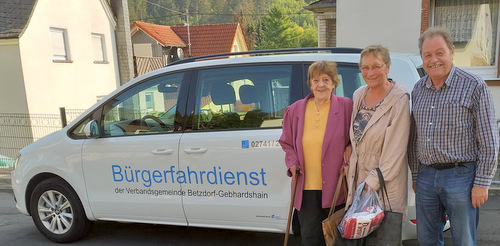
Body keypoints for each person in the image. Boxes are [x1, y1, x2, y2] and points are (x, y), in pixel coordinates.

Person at [408, 26, 499, 246]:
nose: (434, 60)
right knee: (426, 240)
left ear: (451, 52)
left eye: (440, 53)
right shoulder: (418, 89)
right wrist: (415, 175)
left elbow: (489, 140)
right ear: (422, 58)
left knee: (463, 240)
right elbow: (414, 137)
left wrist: (482, 183)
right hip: (426, 176)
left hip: (462, 176)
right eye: (427, 55)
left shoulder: (474, 86)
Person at [279, 60, 352, 246]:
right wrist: (293, 162)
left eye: (326, 79)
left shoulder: (346, 107)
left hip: (337, 186)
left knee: (336, 239)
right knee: (311, 239)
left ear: (334, 83)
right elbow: (287, 143)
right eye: (316, 80)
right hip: (306, 188)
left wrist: (350, 150)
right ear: (310, 83)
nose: (321, 85)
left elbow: (356, 138)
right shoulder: (294, 110)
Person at [344, 45, 410, 228]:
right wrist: (350, 145)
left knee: (382, 238)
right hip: (358, 182)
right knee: (359, 238)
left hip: (383, 185)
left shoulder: (399, 99)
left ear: (387, 67)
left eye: (376, 66)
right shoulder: (359, 94)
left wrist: (370, 183)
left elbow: (396, 151)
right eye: (365, 67)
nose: (370, 72)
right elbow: (359, 133)